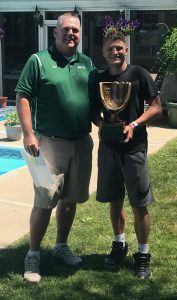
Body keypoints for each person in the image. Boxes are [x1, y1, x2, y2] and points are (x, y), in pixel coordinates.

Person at [15, 12, 95, 283]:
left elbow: (93, 104)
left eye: (75, 30)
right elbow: (23, 95)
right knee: (44, 200)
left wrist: (111, 125)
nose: (71, 34)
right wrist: (28, 135)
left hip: (82, 142)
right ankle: (33, 254)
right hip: (46, 144)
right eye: (66, 30)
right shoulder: (38, 61)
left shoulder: (87, 63)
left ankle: (60, 246)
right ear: (55, 33)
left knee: (71, 200)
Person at [92, 29, 162, 279]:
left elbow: (156, 107)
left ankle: (143, 254)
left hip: (134, 148)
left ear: (126, 49)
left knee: (139, 203)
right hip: (109, 148)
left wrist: (133, 125)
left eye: (119, 47)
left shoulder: (139, 74)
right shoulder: (97, 77)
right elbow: (93, 111)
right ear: (103, 52)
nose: (115, 52)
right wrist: (103, 127)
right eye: (110, 48)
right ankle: (119, 243)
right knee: (114, 200)